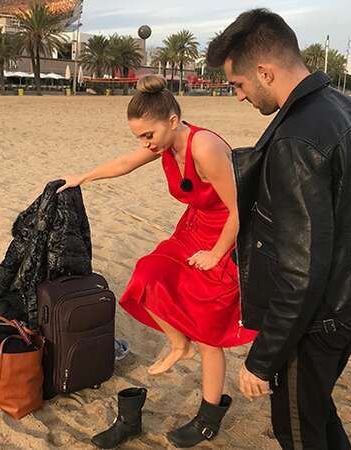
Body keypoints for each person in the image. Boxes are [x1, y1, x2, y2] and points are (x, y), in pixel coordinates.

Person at [206, 9, 351, 450]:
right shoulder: (347, 106)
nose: (238, 96)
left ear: (265, 72)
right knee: (313, 405)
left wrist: (261, 359)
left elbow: (300, 267)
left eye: (238, 84)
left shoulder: (295, 140)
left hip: (323, 315)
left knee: (296, 426)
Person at [60, 75, 256, 447]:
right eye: (139, 137)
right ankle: (178, 344)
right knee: (148, 273)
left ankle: (208, 417)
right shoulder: (164, 144)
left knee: (209, 331)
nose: (144, 143)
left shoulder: (205, 147)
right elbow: (124, 163)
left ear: (172, 121)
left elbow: (240, 209)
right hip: (193, 230)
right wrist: (82, 177)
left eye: (147, 135)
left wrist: (215, 255)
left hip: (227, 236)